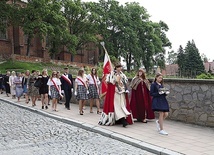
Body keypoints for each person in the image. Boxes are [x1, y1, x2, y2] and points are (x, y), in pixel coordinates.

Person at [98, 62, 133, 127]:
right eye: (118, 67)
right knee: (117, 107)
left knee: (122, 106)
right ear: (116, 68)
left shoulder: (122, 75)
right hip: (115, 93)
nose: (120, 68)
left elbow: (125, 83)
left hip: (122, 93)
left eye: (120, 67)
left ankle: (121, 119)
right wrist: (115, 80)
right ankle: (123, 121)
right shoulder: (112, 74)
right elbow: (110, 83)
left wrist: (121, 83)